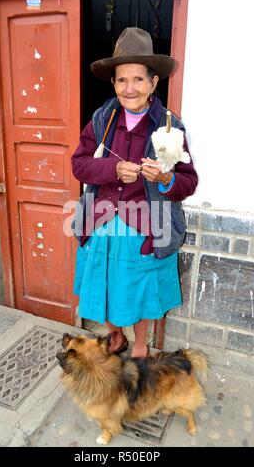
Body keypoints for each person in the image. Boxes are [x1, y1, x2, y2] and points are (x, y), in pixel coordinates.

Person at [71, 27, 198, 358]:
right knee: (108, 288)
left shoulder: (170, 127)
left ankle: (140, 344)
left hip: (143, 227)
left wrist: (167, 178)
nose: (130, 88)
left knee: (138, 290)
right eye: (122, 80)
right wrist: (111, 169)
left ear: (154, 82)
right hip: (101, 223)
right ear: (113, 83)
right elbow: (80, 165)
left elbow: (189, 181)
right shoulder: (101, 120)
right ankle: (117, 336)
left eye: (138, 80)